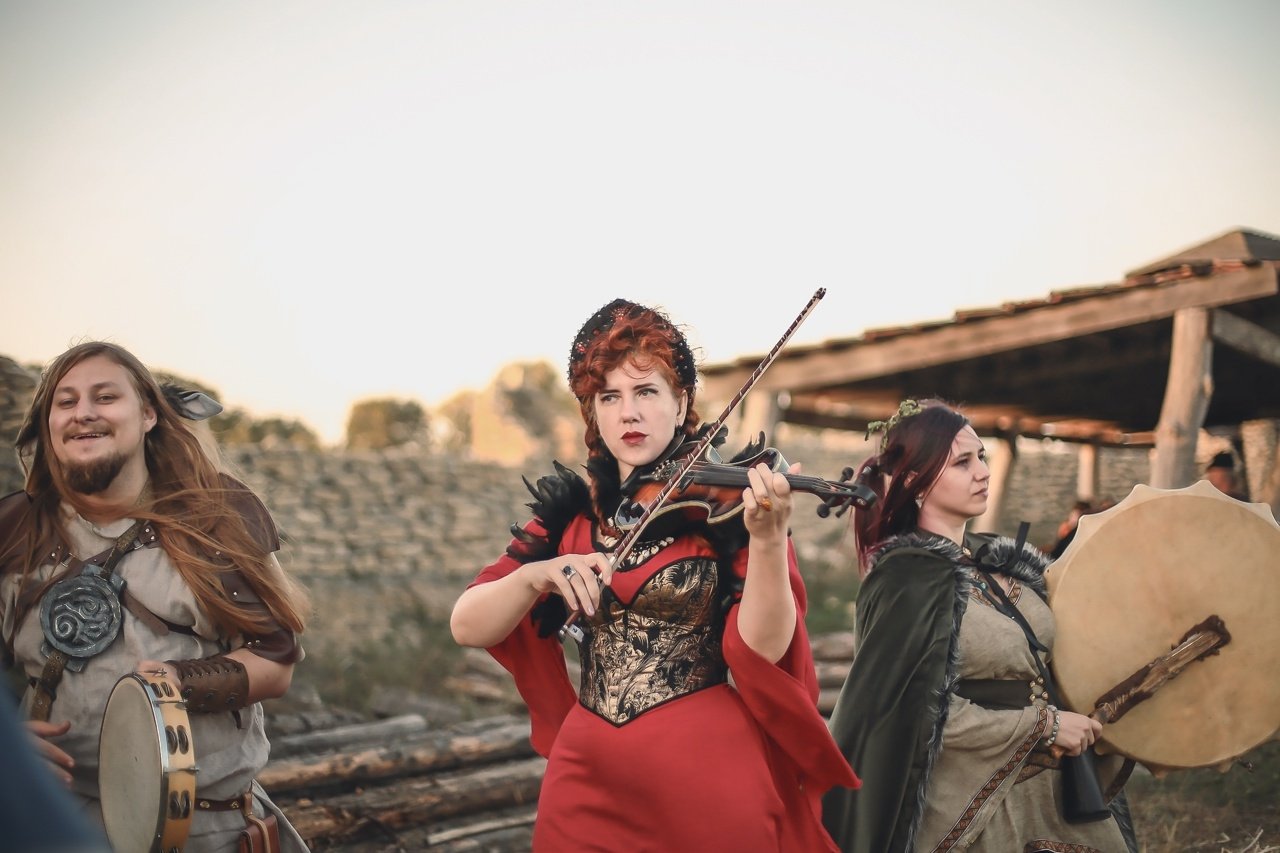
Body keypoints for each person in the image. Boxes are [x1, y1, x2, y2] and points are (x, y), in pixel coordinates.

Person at [450, 299, 858, 852]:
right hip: (586, 771)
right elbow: (467, 625)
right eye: (609, 397)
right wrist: (535, 577)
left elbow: (764, 649)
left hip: (705, 771)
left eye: (646, 392)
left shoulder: (729, 512)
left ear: (681, 400)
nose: (628, 413)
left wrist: (767, 541)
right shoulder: (570, 518)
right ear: (592, 411)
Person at [0, 342, 310, 853]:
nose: (83, 413)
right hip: (50, 827)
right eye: (66, 401)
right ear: (47, 423)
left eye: (105, 397)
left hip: (206, 831)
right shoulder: (14, 531)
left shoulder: (217, 518)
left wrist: (174, 684)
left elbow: (275, 664)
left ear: (148, 415)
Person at [822, 399, 1130, 852]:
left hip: (1056, 789)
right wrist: (1043, 726)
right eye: (963, 462)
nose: (983, 472)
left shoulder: (999, 564)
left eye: (982, 456)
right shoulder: (906, 579)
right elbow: (913, 716)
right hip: (971, 805)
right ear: (915, 481)